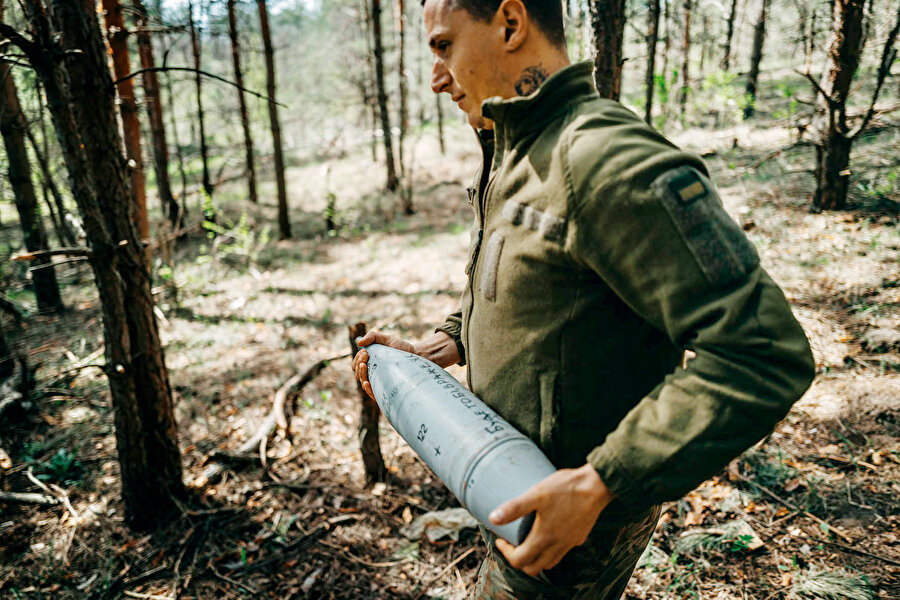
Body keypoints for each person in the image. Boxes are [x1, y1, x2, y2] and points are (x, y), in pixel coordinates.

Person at [352, 1, 816, 598]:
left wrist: (599, 483)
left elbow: (762, 352)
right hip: (516, 489)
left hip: (574, 528)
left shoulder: (604, 160)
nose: (437, 77)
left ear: (511, 24)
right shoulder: (516, 149)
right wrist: (442, 344)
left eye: (444, 47)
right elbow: (524, 285)